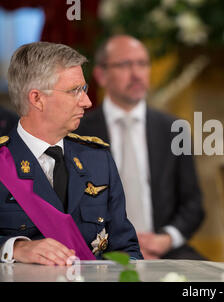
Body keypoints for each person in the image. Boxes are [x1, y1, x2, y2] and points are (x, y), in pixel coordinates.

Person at [0, 41, 142, 265]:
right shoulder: (2, 162)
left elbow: (126, 248)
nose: (87, 102)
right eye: (74, 91)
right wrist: (14, 248)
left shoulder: (98, 159)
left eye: (83, 89)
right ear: (36, 98)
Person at [75, 35, 205, 260]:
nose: (136, 74)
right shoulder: (78, 132)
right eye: (125, 64)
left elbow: (193, 204)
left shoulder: (175, 129)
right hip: (100, 251)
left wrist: (165, 239)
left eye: (142, 64)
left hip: (165, 249)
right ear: (101, 75)